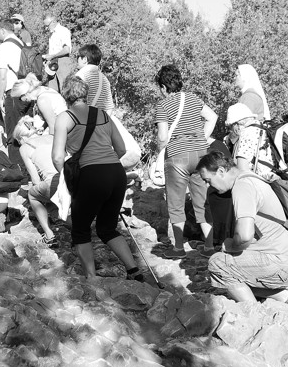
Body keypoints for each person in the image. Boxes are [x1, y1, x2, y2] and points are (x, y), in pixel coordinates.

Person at [51, 76, 149, 283]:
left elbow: (58, 157)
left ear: (65, 96)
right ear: (85, 93)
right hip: (116, 173)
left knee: (80, 229)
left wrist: (68, 179)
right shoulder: (103, 114)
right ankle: (133, 270)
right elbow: (121, 149)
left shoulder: (65, 118)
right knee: (107, 228)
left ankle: (92, 279)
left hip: (90, 174)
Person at [196, 151, 288, 305]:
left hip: (282, 263)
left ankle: (253, 312)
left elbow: (244, 237)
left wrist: (229, 246)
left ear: (221, 171)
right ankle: (285, 295)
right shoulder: (251, 177)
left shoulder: (242, 186)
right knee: (229, 276)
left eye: (208, 180)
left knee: (218, 263)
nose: (208, 186)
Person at [155, 64, 218, 258]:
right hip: (200, 155)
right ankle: (209, 247)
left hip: (177, 157)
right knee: (203, 202)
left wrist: (158, 149)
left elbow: (163, 137)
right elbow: (212, 117)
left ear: (164, 87)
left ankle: (178, 248)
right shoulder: (193, 98)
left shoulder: (163, 105)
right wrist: (201, 139)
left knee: (176, 203)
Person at [13, 115, 60, 246]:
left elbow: (35, 180)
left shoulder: (25, 147)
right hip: (73, 177)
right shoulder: (52, 137)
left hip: (55, 181)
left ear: (22, 138)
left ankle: (49, 235)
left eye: (18, 141)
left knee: (33, 195)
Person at [0, 20, 31, 168]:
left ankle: (19, 171)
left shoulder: (5, 46)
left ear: (3, 31)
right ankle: (31, 168)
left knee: (14, 134)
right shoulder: (21, 44)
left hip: (14, 93)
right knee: (28, 131)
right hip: (28, 91)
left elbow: (2, 75)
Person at [224, 103, 272, 175]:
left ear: (236, 124)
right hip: (274, 175)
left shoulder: (246, 133)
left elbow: (242, 169)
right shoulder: (264, 128)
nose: (231, 130)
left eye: (231, 127)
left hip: (259, 178)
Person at [75, 44, 114, 114]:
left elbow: (74, 102)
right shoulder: (105, 79)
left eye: (78, 57)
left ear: (85, 59)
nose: (77, 60)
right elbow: (109, 108)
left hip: (83, 117)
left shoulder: (80, 76)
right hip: (100, 118)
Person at [42, 14, 72, 93]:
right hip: (53, 63)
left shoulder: (63, 31)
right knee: (52, 91)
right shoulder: (52, 34)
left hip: (63, 62)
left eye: (47, 26)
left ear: (53, 22)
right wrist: (48, 59)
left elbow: (67, 50)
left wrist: (52, 56)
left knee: (64, 89)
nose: (46, 28)